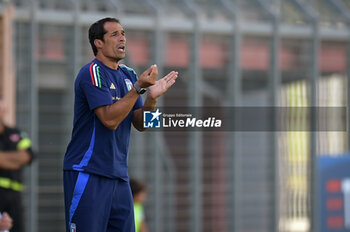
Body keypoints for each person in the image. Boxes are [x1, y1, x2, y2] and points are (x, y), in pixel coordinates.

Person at [63, 17, 178, 232]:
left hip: (119, 177)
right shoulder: (92, 72)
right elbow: (109, 120)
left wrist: (152, 98)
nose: (122, 38)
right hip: (88, 172)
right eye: (114, 34)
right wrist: (138, 89)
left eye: (123, 33)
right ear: (98, 43)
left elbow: (144, 125)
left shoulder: (129, 74)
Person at [0, 98, 33, 232]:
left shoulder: (14, 133)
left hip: (15, 195)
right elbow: (19, 158)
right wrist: (14, 159)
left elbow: (27, 156)